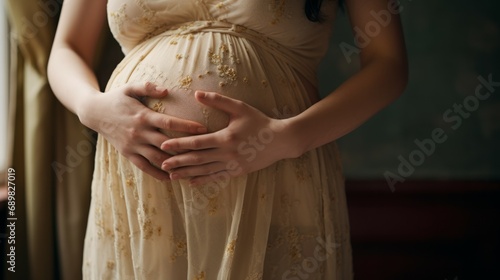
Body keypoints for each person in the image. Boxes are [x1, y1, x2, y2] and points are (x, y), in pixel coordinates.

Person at [48, 0, 407, 278]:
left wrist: (286, 138)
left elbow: (388, 63)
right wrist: (91, 107)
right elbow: (66, 48)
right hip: (139, 191)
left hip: (275, 172)